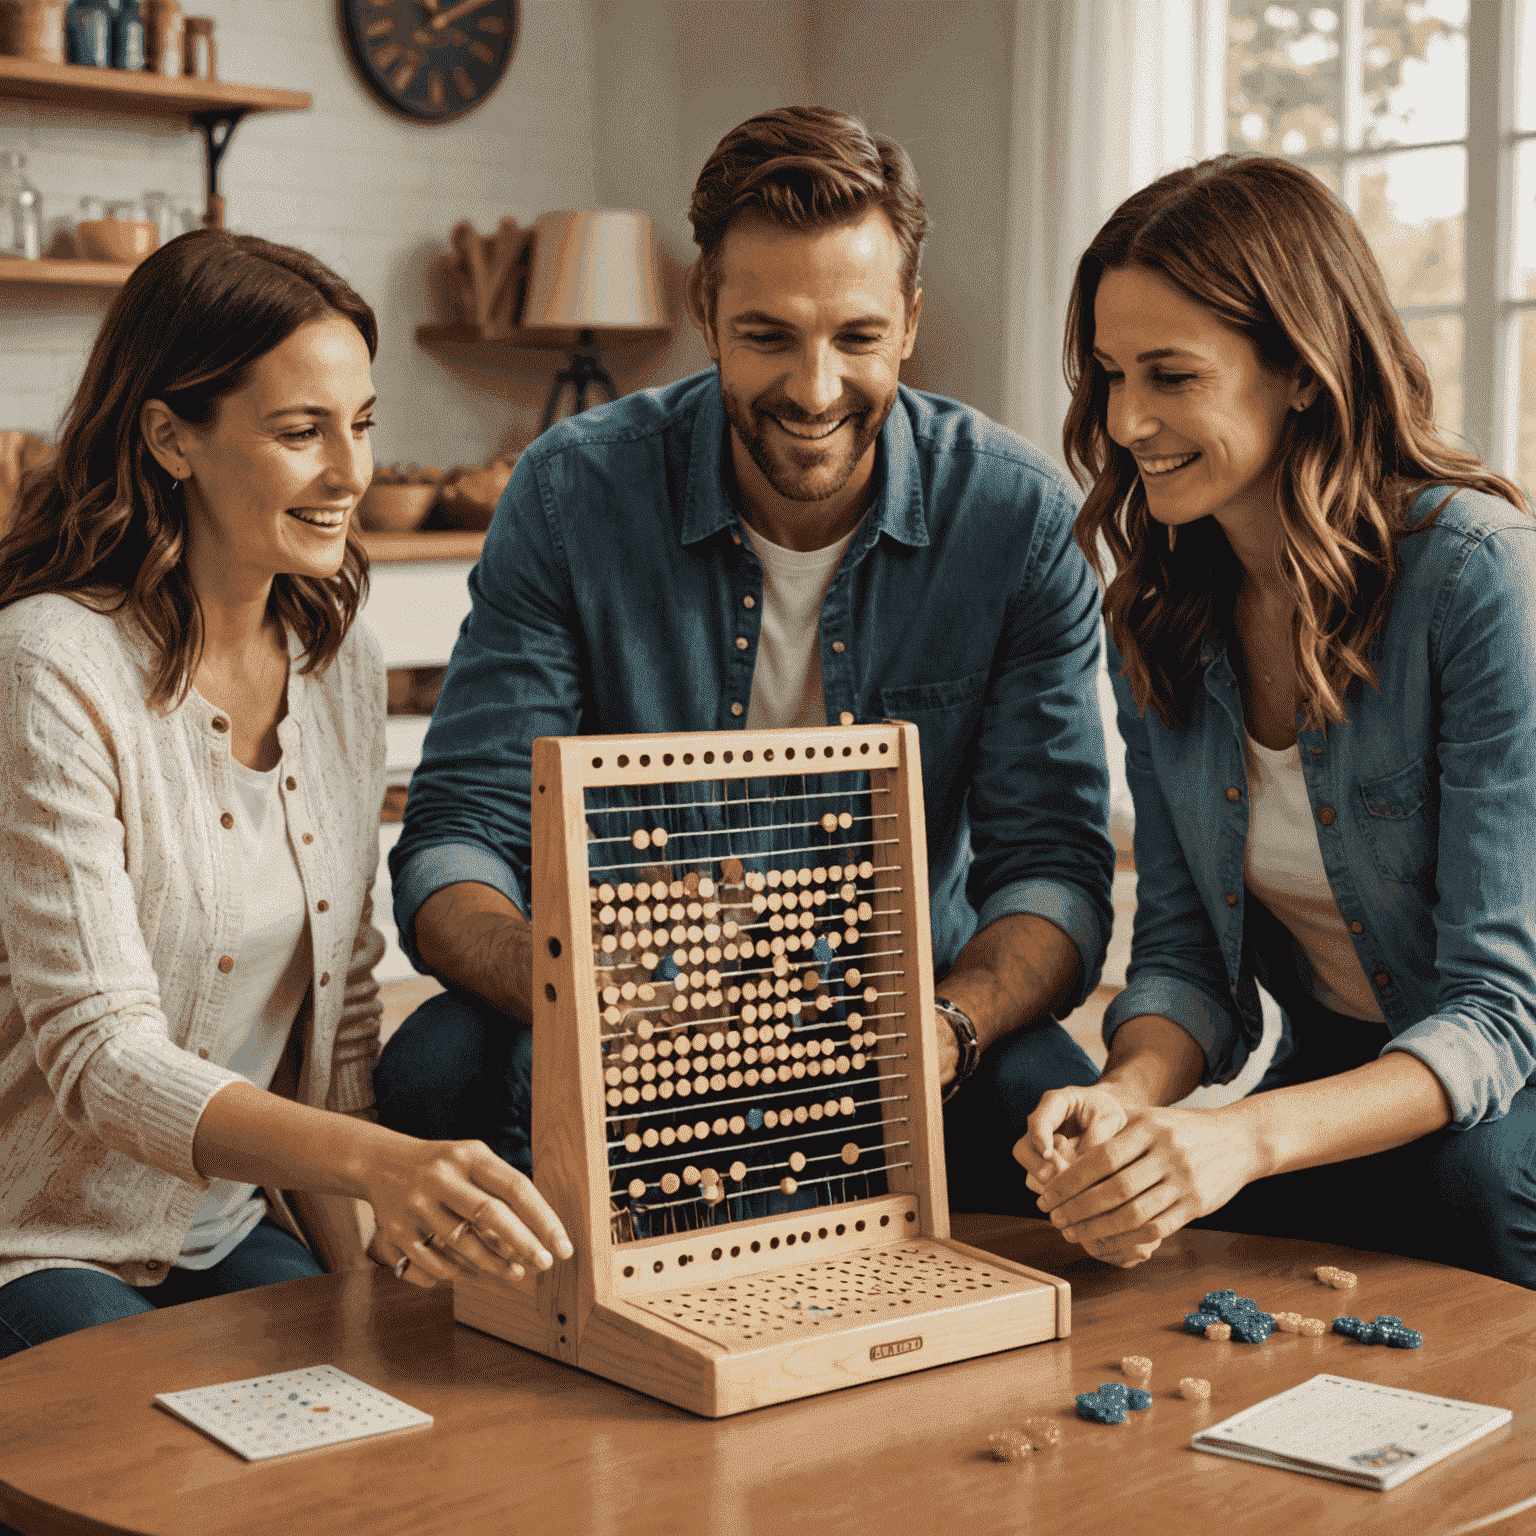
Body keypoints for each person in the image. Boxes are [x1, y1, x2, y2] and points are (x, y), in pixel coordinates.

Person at [377, 106, 1115, 1219]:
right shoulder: (573, 493)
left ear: (909, 322)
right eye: (769, 335)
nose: (816, 392)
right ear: (706, 313)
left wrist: (947, 1028)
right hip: (627, 1005)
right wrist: (580, 991)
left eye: (857, 337)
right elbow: (456, 839)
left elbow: (1053, 867)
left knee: (1050, 1102)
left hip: (906, 1009)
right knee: (433, 1066)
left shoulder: (1017, 522)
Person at [0, 229, 571, 1362]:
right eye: (301, 432)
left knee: (377, 1426)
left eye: (360, 424)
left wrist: (364, 1285)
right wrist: (380, 1164)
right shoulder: (51, 662)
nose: (350, 475)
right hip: (39, 1234)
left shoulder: (333, 662)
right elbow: (100, 1052)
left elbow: (339, 1008)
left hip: (228, 1223)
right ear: (171, 436)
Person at [1017, 154, 1536, 1288]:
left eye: (1170, 375)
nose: (1128, 421)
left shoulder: (1477, 578)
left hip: (1510, 1087)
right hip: (1342, 1079)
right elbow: (1184, 954)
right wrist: (1124, 1102)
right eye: (1109, 375)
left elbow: (1498, 1012)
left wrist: (1243, 1136)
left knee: (1468, 1188)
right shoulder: (1158, 613)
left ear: (1300, 371)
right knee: (1172, 1240)